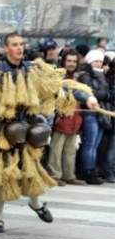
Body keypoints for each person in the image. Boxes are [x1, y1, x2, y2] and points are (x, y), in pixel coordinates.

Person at [0, 32, 98, 233]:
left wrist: (87, 97)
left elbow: (58, 85)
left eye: (22, 44)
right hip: (1, 131)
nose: (19, 48)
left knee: (31, 171)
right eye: (15, 44)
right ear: (6, 48)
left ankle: (36, 204)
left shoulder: (33, 71)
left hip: (27, 129)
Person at [47, 50, 85, 185]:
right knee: (56, 148)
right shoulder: (58, 75)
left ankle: (69, 175)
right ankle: (55, 175)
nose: (71, 64)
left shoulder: (79, 77)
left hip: (75, 115)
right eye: (69, 61)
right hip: (61, 115)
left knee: (70, 148)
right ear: (64, 61)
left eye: (74, 61)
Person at [76, 49, 109, 184]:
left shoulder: (101, 76)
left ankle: (91, 169)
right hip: (90, 113)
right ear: (90, 61)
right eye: (96, 61)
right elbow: (95, 93)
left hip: (100, 113)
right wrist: (103, 94)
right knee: (89, 144)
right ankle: (87, 170)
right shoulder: (86, 76)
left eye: (100, 61)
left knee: (95, 144)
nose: (99, 64)